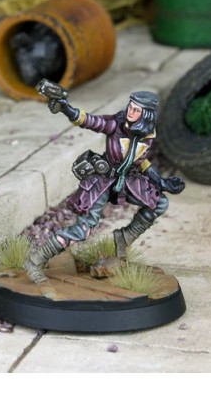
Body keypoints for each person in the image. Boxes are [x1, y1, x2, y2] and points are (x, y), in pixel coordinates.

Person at [25, 90, 185, 285]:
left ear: (147, 115)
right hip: (102, 181)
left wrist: (160, 181)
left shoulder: (147, 133)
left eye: (136, 110)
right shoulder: (115, 124)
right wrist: (66, 108)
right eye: (131, 107)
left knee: (160, 203)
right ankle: (35, 261)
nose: (131, 112)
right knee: (82, 231)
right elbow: (90, 121)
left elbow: (140, 160)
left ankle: (124, 237)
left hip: (127, 182)